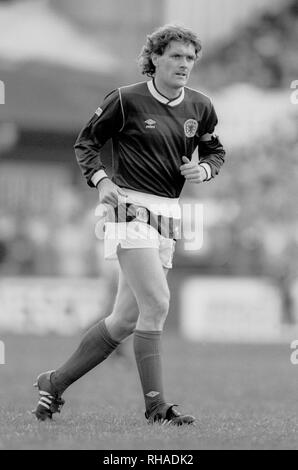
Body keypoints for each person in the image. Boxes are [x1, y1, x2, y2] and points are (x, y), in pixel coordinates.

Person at [32, 24, 225, 425]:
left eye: (190, 58)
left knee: (124, 320)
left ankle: (54, 382)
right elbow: (85, 142)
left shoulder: (201, 106)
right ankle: (156, 408)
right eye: (176, 56)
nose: (184, 64)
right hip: (127, 209)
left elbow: (214, 150)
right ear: (155, 57)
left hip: (170, 215)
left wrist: (203, 169)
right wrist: (101, 181)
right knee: (157, 304)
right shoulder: (125, 99)